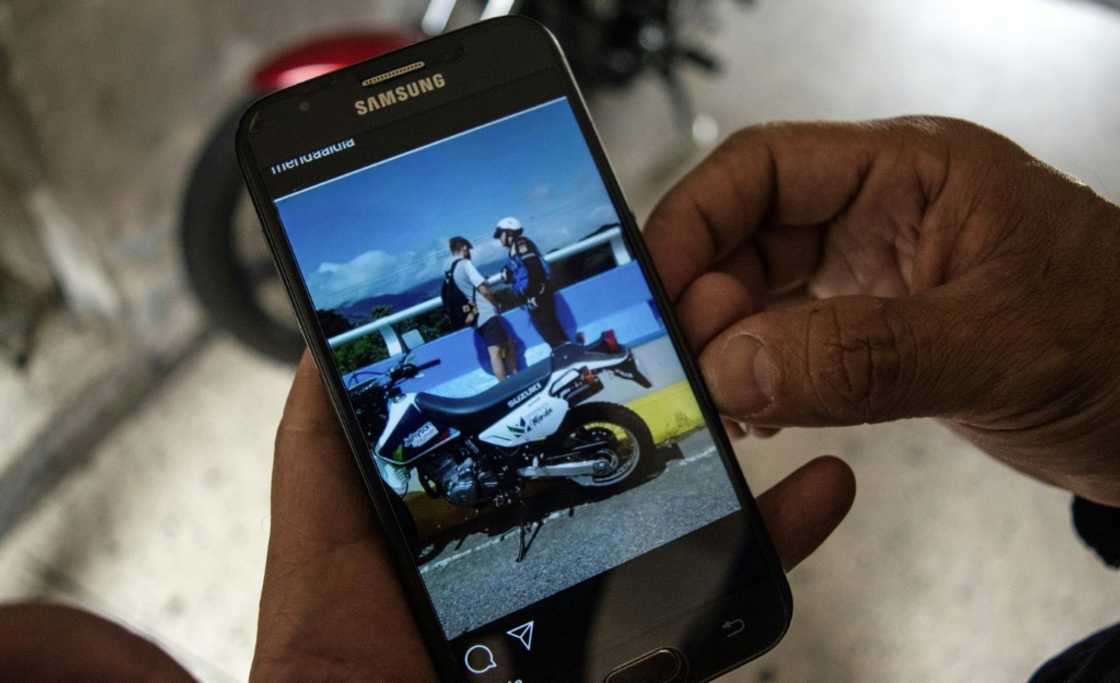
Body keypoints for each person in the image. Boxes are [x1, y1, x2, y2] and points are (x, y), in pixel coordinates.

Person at [4, 117, 1119, 681]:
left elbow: (517, 294)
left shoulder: (510, 260)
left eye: (482, 236)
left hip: (542, 344)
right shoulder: (472, 273)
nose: (480, 242)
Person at [448, 235, 517, 381]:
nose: (470, 252)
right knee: (500, 350)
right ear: (464, 247)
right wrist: (496, 304)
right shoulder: (465, 264)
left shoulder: (453, 271)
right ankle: (511, 382)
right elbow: (484, 290)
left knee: (500, 348)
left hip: (476, 317)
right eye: (469, 249)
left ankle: (509, 381)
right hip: (486, 313)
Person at [495, 217, 569, 348]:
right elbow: (517, 269)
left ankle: (566, 351)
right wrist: (506, 272)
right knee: (546, 327)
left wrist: (534, 294)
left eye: (500, 234)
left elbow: (534, 267)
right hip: (533, 294)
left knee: (549, 326)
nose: (499, 239)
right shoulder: (514, 249)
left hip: (538, 292)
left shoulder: (521, 244)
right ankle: (563, 351)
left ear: (509, 232)